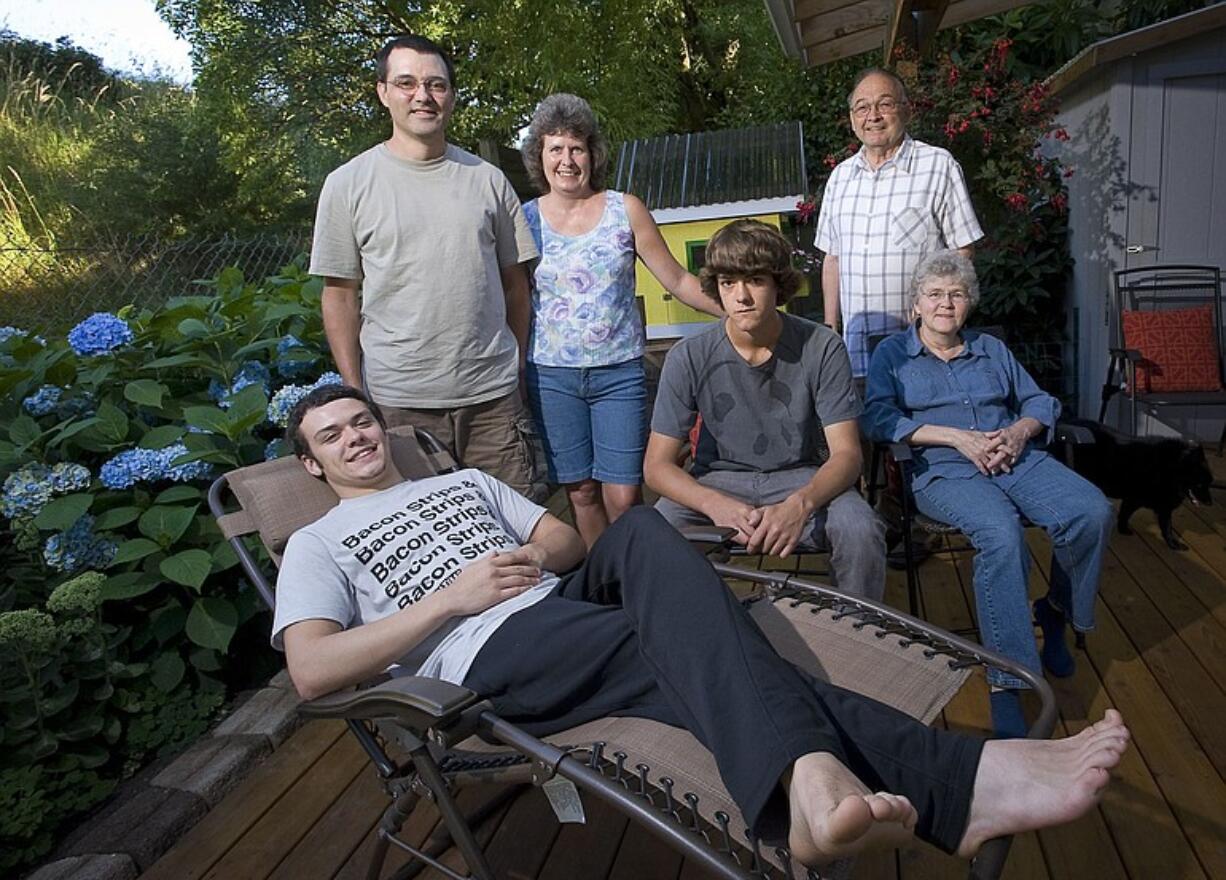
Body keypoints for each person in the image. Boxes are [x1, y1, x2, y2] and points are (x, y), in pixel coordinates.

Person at [272, 383, 1130, 869]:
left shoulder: (457, 484)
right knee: (677, 641)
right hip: (484, 650)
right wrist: (449, 599)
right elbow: (312, 673)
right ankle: (941, 779)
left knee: (641, 527)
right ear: (310, 463)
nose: (355, 438)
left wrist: (530, 551)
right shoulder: (317, 542)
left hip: (557, 599)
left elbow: (567, 544)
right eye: (331, 436)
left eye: (361, 422)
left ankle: (816, 783)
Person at [862, 250, 1114, 738]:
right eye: (934, 294)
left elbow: (1040, 399)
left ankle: (1055, 612)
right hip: (945, 470)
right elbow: (877, 419)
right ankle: (1008, 681)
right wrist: (955, 437)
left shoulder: (990, 350)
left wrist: (1020, 432)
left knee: (1091, 511)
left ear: (969, 303)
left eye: (956, 294)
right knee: (1000, 535)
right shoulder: (893, 355)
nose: (945, 303)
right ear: (916, 304)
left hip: (1015, 458)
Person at [309, 34, 541, 498]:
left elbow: (517, 286)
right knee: (426, 549)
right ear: (383, 92)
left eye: (436, 84)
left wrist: (513, 362)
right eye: (407, 83)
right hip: (399, 406)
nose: (423, 96)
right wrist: (356, 391)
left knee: (517, 534)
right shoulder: (348, 185)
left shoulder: (487, 180)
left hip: (492, 403)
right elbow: (339, 296)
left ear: (451, 96)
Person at [519, 94, 722, 547]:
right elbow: (514, 299)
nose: (567, 160)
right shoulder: (525, 220)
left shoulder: (624, 209)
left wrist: (735, 311)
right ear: (540, 156)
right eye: (556, 149)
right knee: (581, 492)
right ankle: (606, 587)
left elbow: (676, 278)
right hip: (552, 377)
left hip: (619, 374)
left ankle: (636, 575)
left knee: (624, 494)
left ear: (593, 153)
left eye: (576, 148)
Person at [643, 220, 885, 600]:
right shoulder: (687, 356)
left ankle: (857, 633)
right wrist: (713, 504)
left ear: (778, 285)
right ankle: (684, 643)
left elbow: (848, 455)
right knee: (651, 535)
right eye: (727, 283)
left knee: (861, 529)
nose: (741, 296)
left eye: (754, 280)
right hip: (718, 482)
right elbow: (656, 467)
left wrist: (800, 504)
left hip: (803, 477)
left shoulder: (821, 346)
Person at [815, 67, 984, 384]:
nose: (873, 116)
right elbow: (832, 259)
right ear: (852, 118)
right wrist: (830, 328)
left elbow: (963, 249)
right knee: (867, 432)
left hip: (920, 350)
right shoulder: (840, 178)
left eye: (885, 104)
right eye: (862, 107)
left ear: (906, 110)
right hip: (855, 357)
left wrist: (936, 312)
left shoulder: (937, 165)